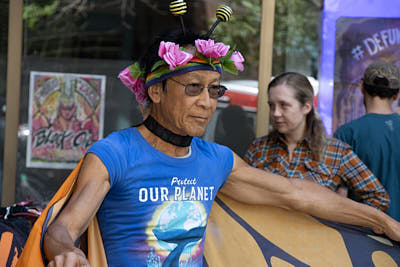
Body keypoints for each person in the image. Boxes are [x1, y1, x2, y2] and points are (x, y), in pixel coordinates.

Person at [35, 31, 400, 267]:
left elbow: (297, 194)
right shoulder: (114, 153)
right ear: (156, 91)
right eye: (193, 87)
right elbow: (62, 228)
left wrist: (383, 221)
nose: (207, 103)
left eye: (214, 90)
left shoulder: (216, 160)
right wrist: (67, 254)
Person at [244, 72, 389, 211]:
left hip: (315, 235)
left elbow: (378, 198)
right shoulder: (259, 148)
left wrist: (342, 226)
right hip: (262, 235)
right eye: (271, 105)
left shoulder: (336, 152)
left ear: (306, 107)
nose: (276, 113)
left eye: (284, 105)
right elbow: (240, 190)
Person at [334, 61, 400, 221]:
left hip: (364, 238)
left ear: (362, 87)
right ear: (396, 94)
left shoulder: (346, 134)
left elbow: (338, 197)